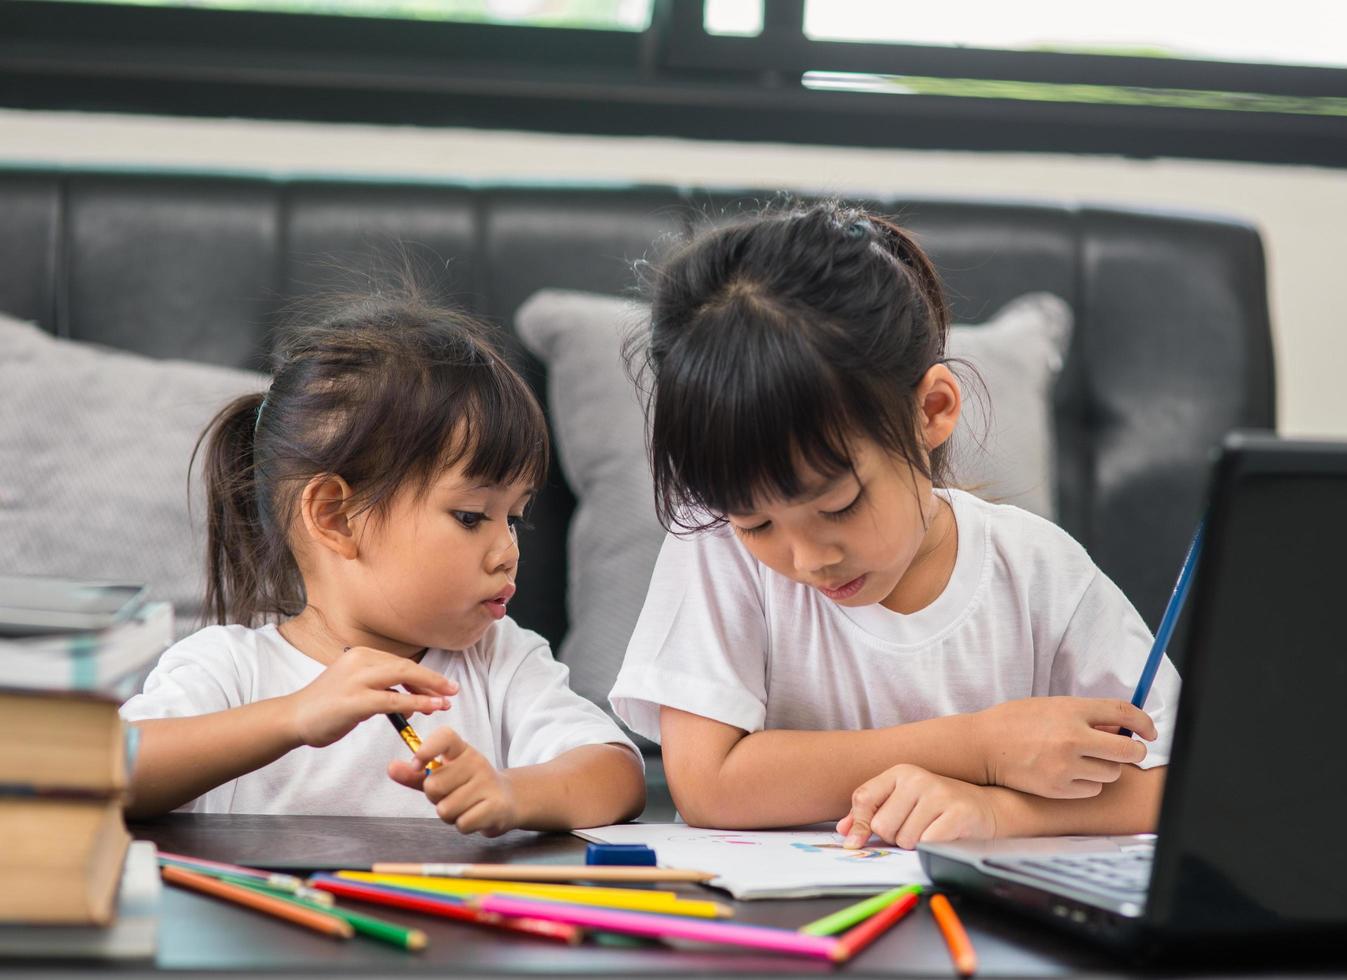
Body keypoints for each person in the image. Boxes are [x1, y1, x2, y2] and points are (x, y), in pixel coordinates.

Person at [609, 203, 1178, 848]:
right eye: (757, 522)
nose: (806, 558)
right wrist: (977, 747)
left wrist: (997, 812)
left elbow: (1176, 784)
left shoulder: (1039, 571)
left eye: (837, 507)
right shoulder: (713, 543)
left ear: (931, 411)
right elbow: (707, 785)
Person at [121, 288, 644, 834]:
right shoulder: (231, 670)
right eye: (471, 516)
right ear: (337, 518)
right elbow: (108, 771)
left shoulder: (498, 661)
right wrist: (294, 715)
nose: (509, 552)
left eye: (514, 517)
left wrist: (511, 792)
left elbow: (617, 773)